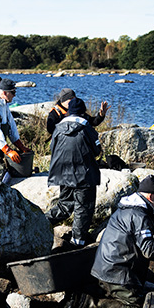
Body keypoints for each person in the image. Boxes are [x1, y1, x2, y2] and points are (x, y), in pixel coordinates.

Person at [90, 175, 154, 308]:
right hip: (116, 274)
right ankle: (94, 306)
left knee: (147, 291)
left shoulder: (126, 209)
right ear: (150, 196)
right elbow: (148, 250)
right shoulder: (140, 216)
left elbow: (141, 244)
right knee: (138, 307)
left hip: (105, 269)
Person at [48, 97, 101, 246]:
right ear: (83, 112)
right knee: (83, 208)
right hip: (84, 175)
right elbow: (97, 151)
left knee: (64, 205)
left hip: (62, 173)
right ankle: (78, 242)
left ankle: (42, 222)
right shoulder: (87, 129)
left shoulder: (57, 129)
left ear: (69, 112)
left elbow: (53, 149)